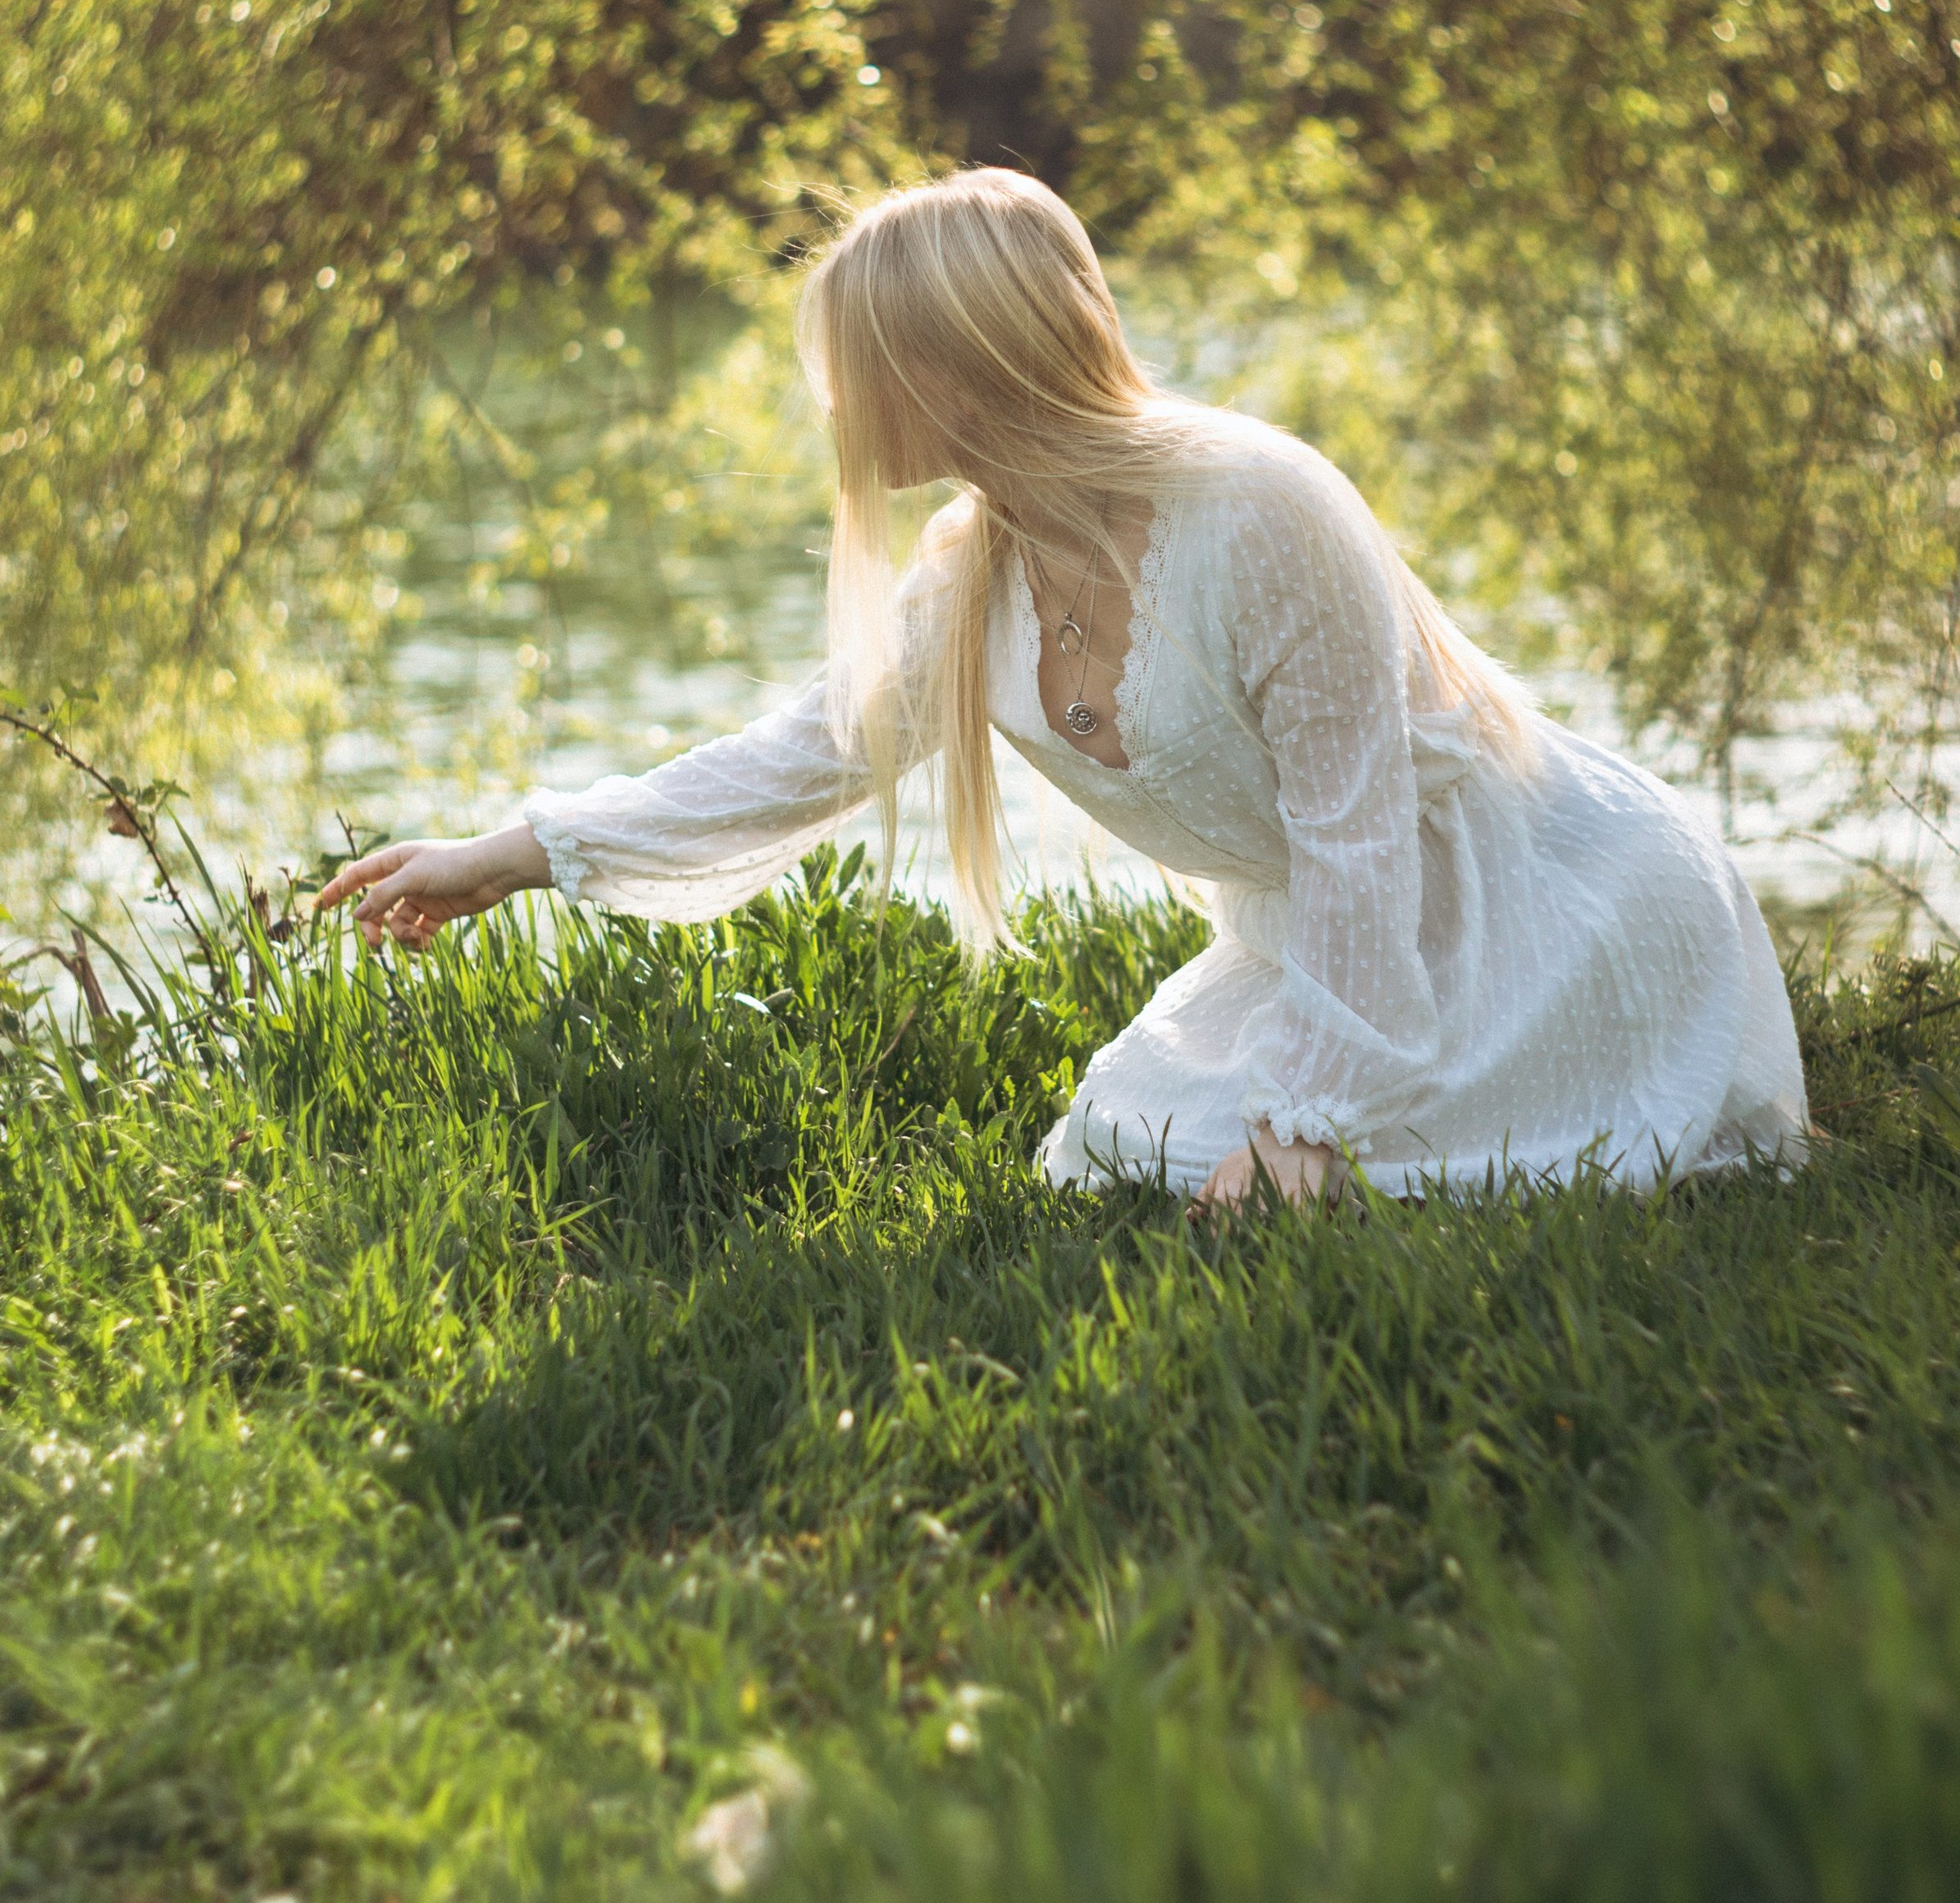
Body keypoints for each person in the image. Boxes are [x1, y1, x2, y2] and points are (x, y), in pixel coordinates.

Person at [317, 171, 1807, 1212]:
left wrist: (1306, 1131)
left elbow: (1359, 832)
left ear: (953, 366)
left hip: (1537, 912)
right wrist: (514, 855)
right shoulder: (979, 565)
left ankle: (1535, 1086)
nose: (832, 409)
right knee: (1117, 1142)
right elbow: (803, 754)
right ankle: (1347, 1110)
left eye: (855, 369)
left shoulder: (1262, 506)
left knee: (1390, 1176)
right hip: (1328, 946)